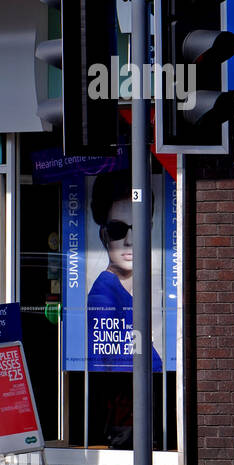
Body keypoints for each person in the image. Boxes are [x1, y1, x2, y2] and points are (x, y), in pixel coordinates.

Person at [87, 172, 163, 449]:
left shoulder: (141, 286)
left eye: (139, 227)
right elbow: (108, 364)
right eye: (119, 230)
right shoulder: (104, 293)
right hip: (127, 398)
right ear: (104, 235)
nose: (130, 241)